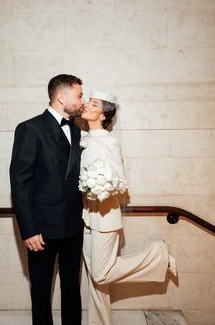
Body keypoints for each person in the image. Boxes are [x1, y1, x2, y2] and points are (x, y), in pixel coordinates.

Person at [80, 91, 177, 325]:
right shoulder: (83, 137)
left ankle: (159, 257)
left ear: (103, 114)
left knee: (100, 273)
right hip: (87, 217)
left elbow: (122, 182)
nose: (85, 105)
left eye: (92, 104)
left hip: (106, 218)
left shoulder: (109, 141)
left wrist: (99, 185)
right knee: (96, 282)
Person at [10, 74, 85, 325]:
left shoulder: (75, 130)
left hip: (73, 226)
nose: (82, 101)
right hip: (41, 230)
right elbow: (20, 183)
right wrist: (28, 229)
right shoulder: (30, 129)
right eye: (79, 95)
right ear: (61, 96)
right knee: (41, 291)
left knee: (72, 289)